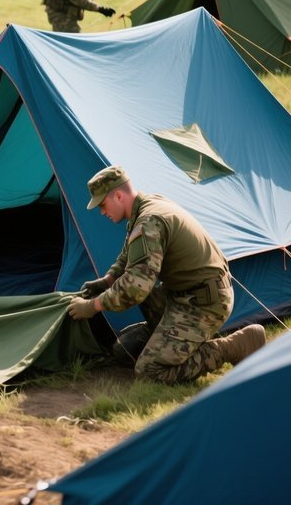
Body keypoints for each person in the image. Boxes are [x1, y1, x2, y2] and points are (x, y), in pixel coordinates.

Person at [67, 165, 267, 385]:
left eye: (102, 205)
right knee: (124, 350)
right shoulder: (146, 207)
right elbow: (129, 257)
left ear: (118, 195)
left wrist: (92, 306)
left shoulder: (149, 222)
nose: (102, 212)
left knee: (150, 371)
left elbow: (135, 289)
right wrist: (107, 281)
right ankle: (169, 338)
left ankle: (234, 346)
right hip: (184, 293)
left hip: (204, 301)